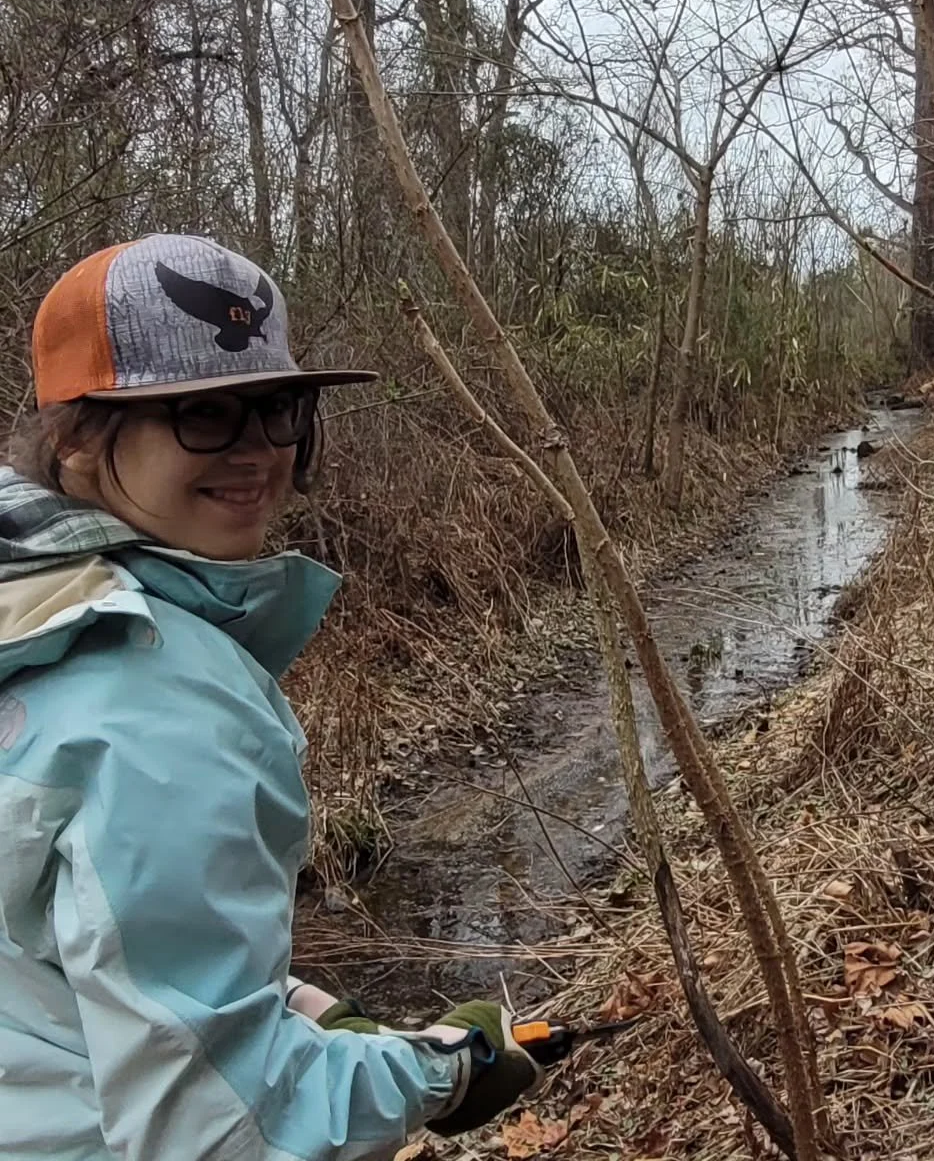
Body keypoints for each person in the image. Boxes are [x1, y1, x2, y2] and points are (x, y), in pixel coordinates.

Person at [0, 234, 543, 1160]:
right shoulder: (159, 702)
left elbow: (60, 956)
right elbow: (230, 1129)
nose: (255, 452)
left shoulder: (23, 615)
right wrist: (441, 1068)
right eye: (202, 414)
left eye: (276, 408)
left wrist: (295, 1004)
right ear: (78, 441)